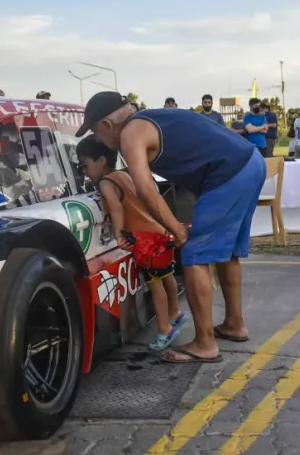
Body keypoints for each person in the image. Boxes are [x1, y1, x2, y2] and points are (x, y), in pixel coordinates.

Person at [76, 91, 266, 364]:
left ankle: (205, 344)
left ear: (107, 124)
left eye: (95, 132)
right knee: (226, 252)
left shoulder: (131, 133)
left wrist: (176, 229)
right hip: (250, 162)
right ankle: (234, 324)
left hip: (228, 172)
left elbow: (145, 189)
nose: (98, 140)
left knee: (193, 253)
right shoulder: (151, 118)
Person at [76, 136, 185, 351]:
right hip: (159, 233)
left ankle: (165, 329)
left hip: (146, 241)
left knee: (154, 285)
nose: (85, 172)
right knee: (167, 276)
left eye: (85, 165)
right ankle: (175, 313)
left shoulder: (106, 183)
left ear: (100, 161)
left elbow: (116, 209)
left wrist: (119, 235)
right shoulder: (124, 175)